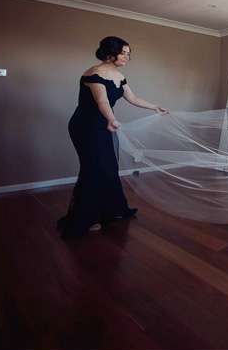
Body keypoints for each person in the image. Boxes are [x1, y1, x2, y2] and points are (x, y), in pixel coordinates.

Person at [58, 36, 167, 239]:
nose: (127, 57)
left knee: (108, 167)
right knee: (93, 168)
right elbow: (102, 101)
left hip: (104, 125)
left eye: (128, 54)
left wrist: (155, 107)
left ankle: (111, 210)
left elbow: (132, 98)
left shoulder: (119, 76)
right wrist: (112, 119)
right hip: (86, 126)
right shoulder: (94, 73)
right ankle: (85, 218)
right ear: (110, 53)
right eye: (124, 53)